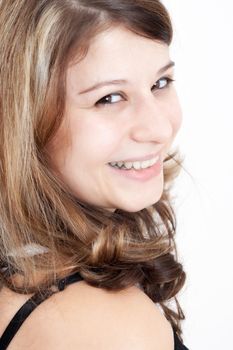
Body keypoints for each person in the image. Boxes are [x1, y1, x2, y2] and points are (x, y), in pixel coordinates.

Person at [0, 0, 189, 349]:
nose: (159, 128)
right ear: (25, 122)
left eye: (160, 82)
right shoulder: (110, 328)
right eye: (110, 98)